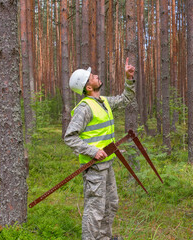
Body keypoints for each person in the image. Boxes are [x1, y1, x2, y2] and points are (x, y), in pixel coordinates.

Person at [64, 58, 135, 240]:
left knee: (111, 204)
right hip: (94, 166)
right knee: (94, 209)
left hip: (106, 164)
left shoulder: (103, 101)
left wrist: (129, 79)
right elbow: (70, 137)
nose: (96, 76)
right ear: (88, 87)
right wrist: (92, 151)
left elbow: (126, 99)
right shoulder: (84, 108)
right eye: (92, 76)